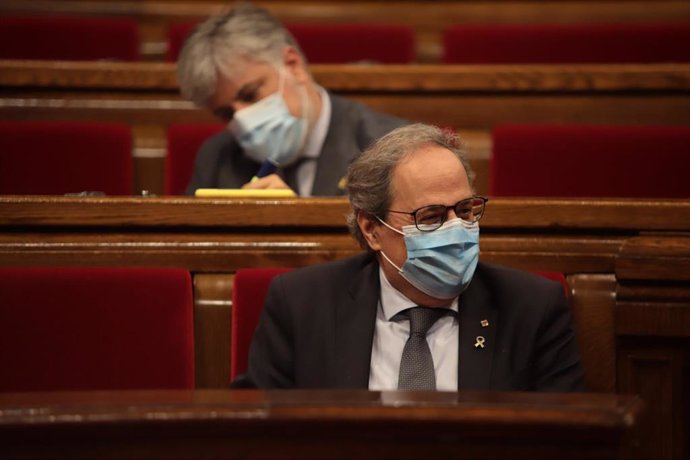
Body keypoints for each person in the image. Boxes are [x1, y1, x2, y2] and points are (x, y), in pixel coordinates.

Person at [240, 123, 586, 391]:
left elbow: (566, 441)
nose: (457, 229)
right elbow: (257, 430)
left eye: (466, 210)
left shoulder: (532, 308)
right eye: (431, 217)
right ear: (372, 229)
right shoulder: (302, 304)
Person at [176, 2, 408, 196]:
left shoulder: (388, 148)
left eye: (250, 95)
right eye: (226, 113)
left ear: (292, 65)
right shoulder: (217, 158)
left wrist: (293, 218)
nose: (244, 120)